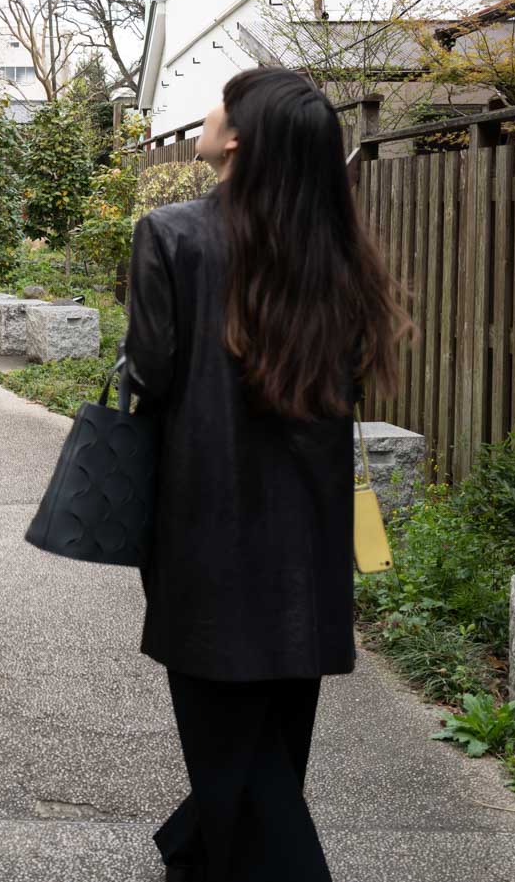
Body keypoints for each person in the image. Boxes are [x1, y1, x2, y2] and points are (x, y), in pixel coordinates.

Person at [124, 67, 405, 881]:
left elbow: (150, 375)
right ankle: (194, 855)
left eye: (221, 103)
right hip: (312, 537)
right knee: (270, 738)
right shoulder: (339, 253)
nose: (209, 114)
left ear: (239, 137)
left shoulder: (172, 236)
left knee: (235, 746)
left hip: (205, 523)